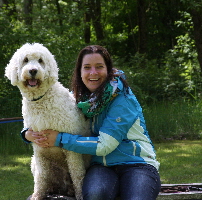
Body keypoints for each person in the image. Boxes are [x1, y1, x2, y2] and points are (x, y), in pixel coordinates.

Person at [22, 45, 161, 200]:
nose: (93, 73)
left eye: (99, 67)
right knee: (95, 194)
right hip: (101, 166)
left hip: (137, 164)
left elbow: (104, 145)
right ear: (80, 72)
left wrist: (59, 139)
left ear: (108, 70)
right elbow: (46, 114)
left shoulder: (123, 99)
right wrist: (27, 134)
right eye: (87, 67)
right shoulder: (80, 100)